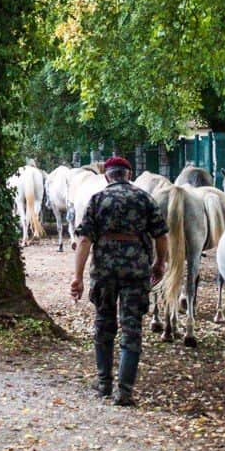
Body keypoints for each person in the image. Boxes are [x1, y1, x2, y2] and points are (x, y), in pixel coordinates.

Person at [70, 156, 169, 406]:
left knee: (104, 324)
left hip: (104, 271)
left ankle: (104, 383)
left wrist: (77, 277)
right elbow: (161, 235)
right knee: (132, 327)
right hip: (136, 271)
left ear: (106, 175)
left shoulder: (97, 199)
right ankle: (125, 390)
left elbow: (84, 241)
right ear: (129, 174)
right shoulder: (144, 198)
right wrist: (160, 263)